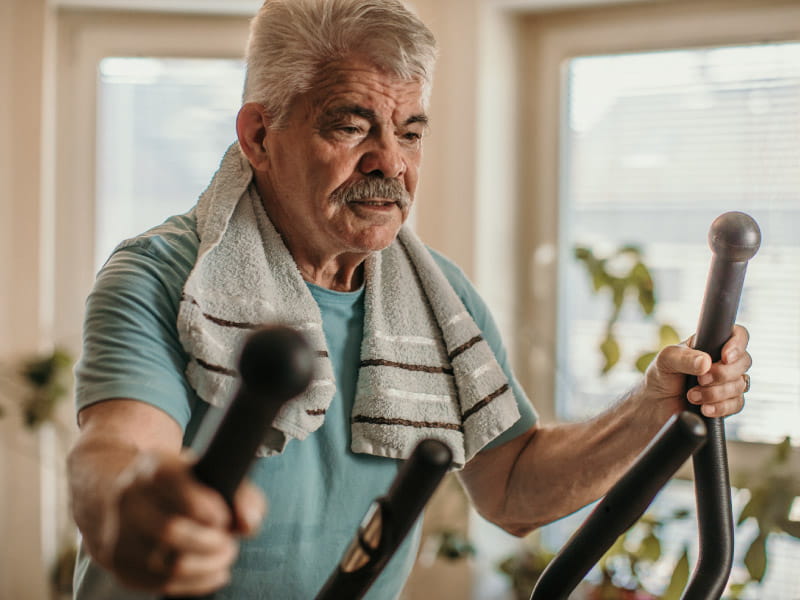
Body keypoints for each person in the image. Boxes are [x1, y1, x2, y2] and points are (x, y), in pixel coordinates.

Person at [66, 0, 753, 598]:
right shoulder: (160, 276)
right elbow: (115, 453)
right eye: (351, 124)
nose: (391, 162)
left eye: (411, 130)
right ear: (259, 135)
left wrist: (652, 403)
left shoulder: (439, 299)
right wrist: (133, 505)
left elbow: (512, 489)